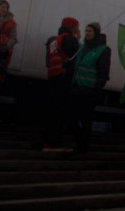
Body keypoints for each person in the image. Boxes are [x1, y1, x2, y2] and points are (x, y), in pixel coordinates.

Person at [66, 22, 111, 154]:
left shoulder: (103, 50)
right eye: (86, 31)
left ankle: (82, 146)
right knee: (70, 119)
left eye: (90, 31)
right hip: (77, 87)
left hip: (89, 90)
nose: (87, 33)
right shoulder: (82, 47)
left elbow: (103, 72)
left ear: (96, 33)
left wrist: (97, 89)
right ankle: (81, 142)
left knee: (85, 120)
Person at [43, 17, 81, 152]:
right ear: (72, 27)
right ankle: (54, 141)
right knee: (59, 112)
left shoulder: (54, 40)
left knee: (52, 110)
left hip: (52, 77)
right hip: (62, 78)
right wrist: (77, 39)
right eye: (77, 27)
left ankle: (48, 140)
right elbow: (75, 54)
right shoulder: (68, 39)